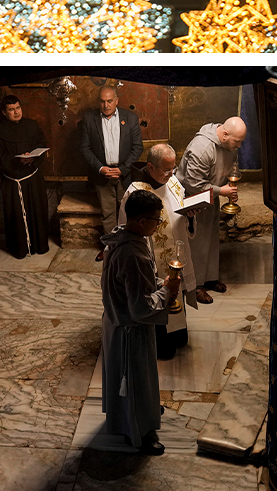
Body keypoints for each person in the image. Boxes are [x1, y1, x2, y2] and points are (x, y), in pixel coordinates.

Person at [99, 188, 180, 455]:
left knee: (140, 381)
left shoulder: (125, 236)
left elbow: (140, 285)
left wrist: (160, 283)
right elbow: (140, 306)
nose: (159, 225)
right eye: (156, 220)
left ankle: (142, 409)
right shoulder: (132, 254)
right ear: (141, 221)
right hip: (130, 329)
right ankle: (138, 432)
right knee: (133, 380)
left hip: (116, 323)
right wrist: (167, 292)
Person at [118, 143, 192, 359]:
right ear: (150, 167)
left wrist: (191, 214)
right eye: (166, 170)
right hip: (152, 260)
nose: (171, 174)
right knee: (158, 296)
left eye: (173, 168)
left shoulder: (173, 182)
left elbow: (180, 212)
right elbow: (127, 229)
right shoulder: (135, 194)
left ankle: (178, 333)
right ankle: (161, 343)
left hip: (175, 254)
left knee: (176, 292)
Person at [175, 116, 244, 303]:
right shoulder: (202, 148)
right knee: (197, 242)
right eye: (237, 142)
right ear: (224, 134)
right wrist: (223, 190)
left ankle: (210, 278)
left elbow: (231, 168)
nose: (238, 146)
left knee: (212, 238)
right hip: (192, 200)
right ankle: (195, 286)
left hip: (210, 197)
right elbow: (194, 184)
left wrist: (230, 186)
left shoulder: (229, 145)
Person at [0, 94, 51, 258]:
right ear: (4, 112)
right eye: (11, 110)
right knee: (14, 217)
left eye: (18, 108)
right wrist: (16, 161)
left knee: (37, 212)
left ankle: (39, 245)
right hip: (12, 181)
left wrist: (32, 158)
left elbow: (42, 145)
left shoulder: (32, 125)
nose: (16, 112)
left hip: (33, 177)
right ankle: (20, 249)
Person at [78, 84, 142, 237]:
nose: (106, 105)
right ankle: (110, 248)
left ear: (116, 101)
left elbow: (137, 147)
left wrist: (122, 169)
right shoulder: (89, 119)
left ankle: (127, 247)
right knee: (107, 215)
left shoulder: (130, 118)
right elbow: (84, 148)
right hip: (102, 175)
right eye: (102, 101)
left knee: (127, 213)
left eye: (109, 101)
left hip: (124, 175)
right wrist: (101, 168)